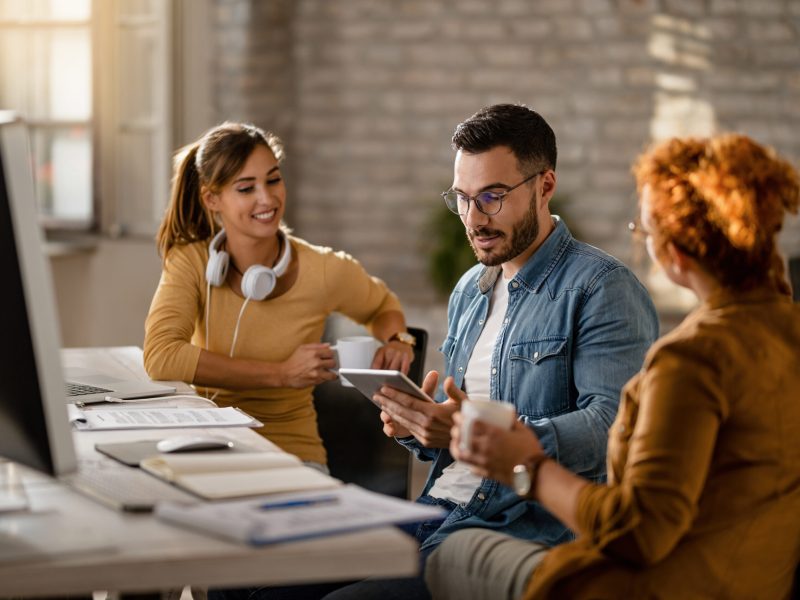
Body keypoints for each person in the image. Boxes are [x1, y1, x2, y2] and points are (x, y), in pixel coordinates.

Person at [426, 133, 800, 600]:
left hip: (648, 586)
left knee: (447, 557)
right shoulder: (783, 331)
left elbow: (638, 532)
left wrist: (526, 464)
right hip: (754, 580)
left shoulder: (690, 359)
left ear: (675, 254)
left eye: (644, 233)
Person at [320, 104, 658, 600]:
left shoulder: (601, 288)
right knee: (251, 580)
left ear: (544, 186)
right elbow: (455, 432)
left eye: (493, 198)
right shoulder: (469, 289)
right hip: (435, 509)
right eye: (463, 198)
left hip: (516, 526)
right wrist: (420, 425)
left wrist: (475, 431)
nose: (474, 219)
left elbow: (614, 426)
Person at [143, 122, 415, 472]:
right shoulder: (192, 261)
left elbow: (382, 305)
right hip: (208, 445)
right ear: (212, 199)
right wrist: (280, 374)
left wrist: (399, 339)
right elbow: (162, 356)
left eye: (273, 180)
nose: (267, 199)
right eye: (246, 188)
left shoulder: (325, 269)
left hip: (293, 453)